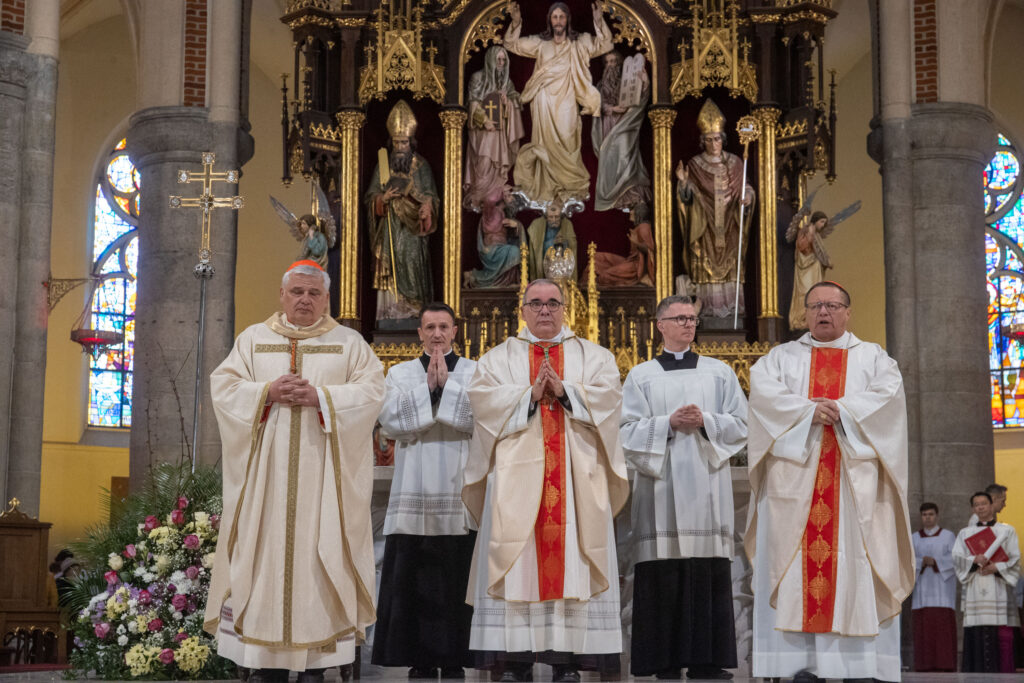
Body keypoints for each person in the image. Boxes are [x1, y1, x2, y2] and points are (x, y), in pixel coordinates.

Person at [204, 260, 386, 683]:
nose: (305, 300)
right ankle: (264, 660)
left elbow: (372, 392)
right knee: (263, 557)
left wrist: (321, 397)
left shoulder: (349, 344)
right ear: (282, 295)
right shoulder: (254, 340)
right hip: (265, 484)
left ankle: (315, 664)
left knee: (320, 558)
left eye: (314, 293)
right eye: (297, 292)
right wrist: (266, 391)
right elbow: (224, 388)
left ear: (326, 299)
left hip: (325, 481)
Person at [745, 281, 914, 682]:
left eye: (832, 306)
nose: (824, 312)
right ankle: (797, 666)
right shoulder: (778, 359)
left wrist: (842, 410)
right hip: (793, 485)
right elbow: (764, 398)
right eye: (816, 306)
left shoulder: (874, 359)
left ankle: (860, 666)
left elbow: (888, 399)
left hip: (855, 486)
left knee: (856, 565)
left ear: (848, 312)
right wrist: (808, 411)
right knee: (792, 569)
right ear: (804, 313)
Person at [463, 279, 629, 682]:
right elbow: (482, 404)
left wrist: (566, 391)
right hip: (515, 485)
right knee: (518, 563)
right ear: (522, 310)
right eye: (536, 303)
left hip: (576, 482)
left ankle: (567, 661)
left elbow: (610, 400)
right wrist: (529, 397)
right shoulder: (497, 359)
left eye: (553, 303)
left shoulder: (595, 356)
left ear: (565, 308)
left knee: (574, 563)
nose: (544, 310)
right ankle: (515, 660)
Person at [620, 295, 747, 680]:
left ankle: (708, 661)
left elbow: (742, 423)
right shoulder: (641, 376)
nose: (688, 324)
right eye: (679, 318)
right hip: (660, 486)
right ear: (660, 325)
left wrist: (706, 420)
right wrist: (668, 424)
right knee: (663, 570)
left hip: (707, 486)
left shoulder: (719, 372)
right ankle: (664, 662)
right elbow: (624, 431)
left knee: (705, 570)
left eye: (692, 318)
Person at [373, 302, 478, 678]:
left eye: (443, 327)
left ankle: (454, 658)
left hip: (457, 487)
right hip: (413, 487)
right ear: (419, 333)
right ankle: (418, 657)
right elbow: (389, 421)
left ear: (455, 331)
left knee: (455, 576)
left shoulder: (474, 372)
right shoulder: (400, 373)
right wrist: (429, 390)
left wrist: (447, 388)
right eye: (430, 327)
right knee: (413, 577)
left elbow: (482, 419)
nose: (437, 334)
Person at [504, 2, 614, 206]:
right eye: (555, 17)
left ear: (567, 19)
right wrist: (516, 22)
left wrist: (599, 21)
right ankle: (546, 186)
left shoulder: (579, 42)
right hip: (543, 99)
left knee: (568, 137)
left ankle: (569, 185)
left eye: (561, 17)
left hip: (568, 98)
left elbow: (606, 44)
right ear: (550, 20)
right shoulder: (540, 42)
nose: (558, 21)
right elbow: (511, 44)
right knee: (544, 143)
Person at [675, 99, 754, 320]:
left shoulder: (736, 163)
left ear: (723, 139)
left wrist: (748, 197)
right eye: (708, 140)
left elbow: (745, 187)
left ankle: (732, 314)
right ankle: (708, 313)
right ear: (703, 141)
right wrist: (684, 183)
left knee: (732, 267)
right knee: (704, 266)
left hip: (730, 227)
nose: (713, 144)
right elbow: (687, 199)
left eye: (717, 138)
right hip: (705, 229)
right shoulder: (695, 165)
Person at [365, 100, 440, 320]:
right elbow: (370, 197)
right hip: (389, 227)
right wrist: (382, 199)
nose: (399, 147)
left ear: (411, 142)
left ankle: (414, 309)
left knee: (412, 264)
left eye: (404, 142)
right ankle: (391, 311)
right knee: (390, 265)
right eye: (396, 142)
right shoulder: (383, 166)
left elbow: (432, 196)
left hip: (413, 231)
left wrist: (426, 206)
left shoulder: (422, 166)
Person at [954, 491, 1021, 673]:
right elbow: (957, 558)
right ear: (972, 509)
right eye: (976, 505)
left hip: (997, 587)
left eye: (984, 503)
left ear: (992, 505)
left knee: (998, 634)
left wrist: (996, 567)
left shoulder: (1006, 531)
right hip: (975, 586)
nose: (980, 507)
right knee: (976, 633)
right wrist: (973, 560)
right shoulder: (965, 533)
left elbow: (1015, 558)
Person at [464, 45, 525, 212]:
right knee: (484, 161)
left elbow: (516, 101)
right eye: (498, 59)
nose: (501, 63)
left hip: (500, 134)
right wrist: (484, 120)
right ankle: (478, 197)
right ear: (490, 60)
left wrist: (508, 103)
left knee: (498, 167)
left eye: (504, 60)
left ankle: (493, 198)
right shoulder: (478, 78)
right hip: (483, 133)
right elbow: (472, 103)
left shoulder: (507, 83)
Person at [592, 50, 651, 212]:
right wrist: (612, 109)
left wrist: (644, 81)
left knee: (625, 155)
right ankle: (615, 194)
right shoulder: (601, 85)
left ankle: (630, 193)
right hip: (608, 124)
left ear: (619, 64)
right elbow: (596, 105)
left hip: (626, 123)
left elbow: (641, 97)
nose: (610, 66)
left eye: (613, 62)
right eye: (607, 62)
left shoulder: (627, 81)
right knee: (610, 156)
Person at [910, 502, 957, 672]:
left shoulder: (948, 536)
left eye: (930, 514)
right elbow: (908, 560)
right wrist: (921, 562)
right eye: (924, 515)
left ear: (937, 516)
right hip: (922, 591)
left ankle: (945, 663)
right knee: (924, 630)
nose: (927, 518)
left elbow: (956, 559)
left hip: (943, 592)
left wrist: (936, 562)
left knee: (943, 630)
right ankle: (924, 664)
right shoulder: (914, 537)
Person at [465, 186, 525, 289]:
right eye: (508, 195)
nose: (511, 198)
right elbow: (489, 201)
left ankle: (509, 281)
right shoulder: (491, 212)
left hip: (501, 248)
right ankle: (475, 276)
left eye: (510, 195)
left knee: (515, 250)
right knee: (514, 251)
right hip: (492, 251)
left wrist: (516, 225)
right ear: (501, 197)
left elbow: (513, 235)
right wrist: (500, 190)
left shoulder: (504, 213)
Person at [588, 202, 655, 287]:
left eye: (633, 210)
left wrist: (637, 243)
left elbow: (651, 251)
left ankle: (592, 289)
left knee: (606, 275)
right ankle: (585, 287)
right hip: (630, 261)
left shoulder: (643, 227)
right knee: (597, 259)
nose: (630, 212)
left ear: (639, 213)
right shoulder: (639, 227)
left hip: (636, 267)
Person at [526, 201, 577, 281]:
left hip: (561, 266)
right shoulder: (536, 225)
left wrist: (564, 243)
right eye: (551, 217)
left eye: (557, 217)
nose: (554, 220)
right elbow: (537, 247)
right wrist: (552, 243)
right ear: (546, 217)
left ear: (561, 216)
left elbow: (573, 245)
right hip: (545, 263)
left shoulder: (567, 225)